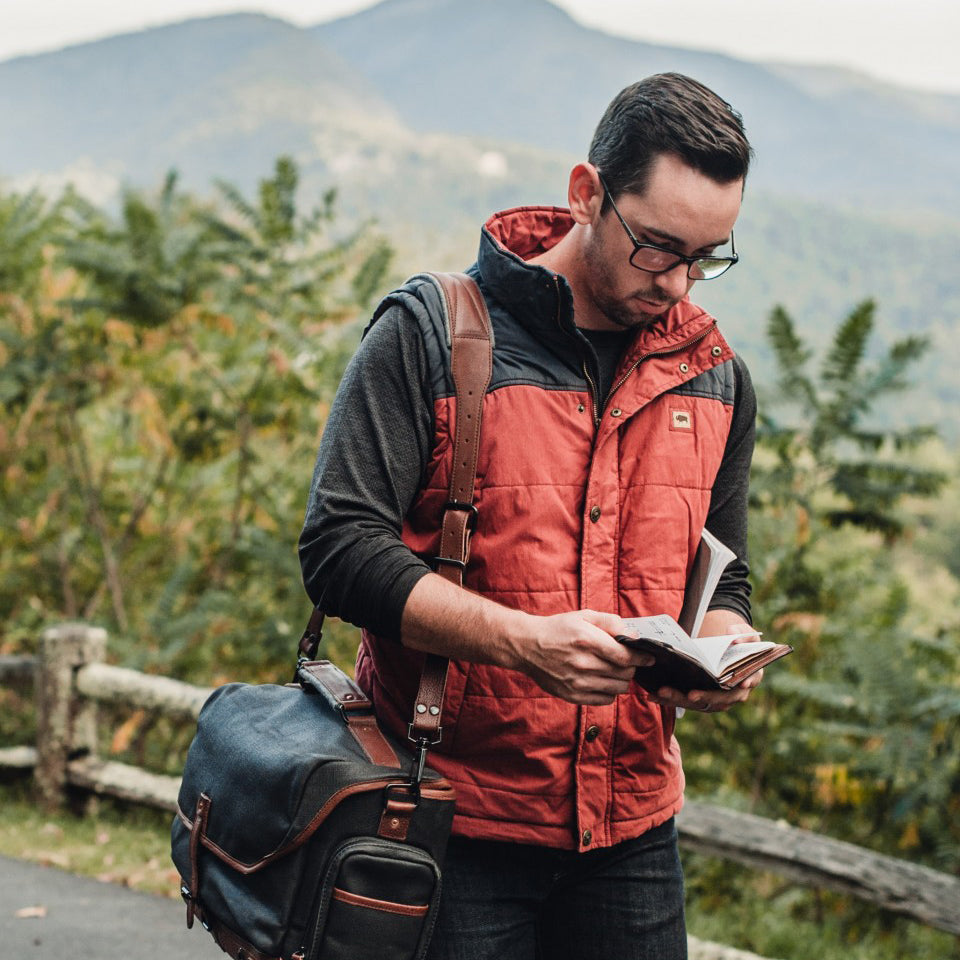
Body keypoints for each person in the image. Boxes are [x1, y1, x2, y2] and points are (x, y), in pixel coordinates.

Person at [300, 72, 759, 960]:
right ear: (587, 194)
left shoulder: (716, 376)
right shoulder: (432, 334)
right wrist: (524, 642)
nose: (679, 283)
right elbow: (339, 550)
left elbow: (723, 569)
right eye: (658, 248)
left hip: (633, 836)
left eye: (707, 257)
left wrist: (724, 646)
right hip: (448, 819)